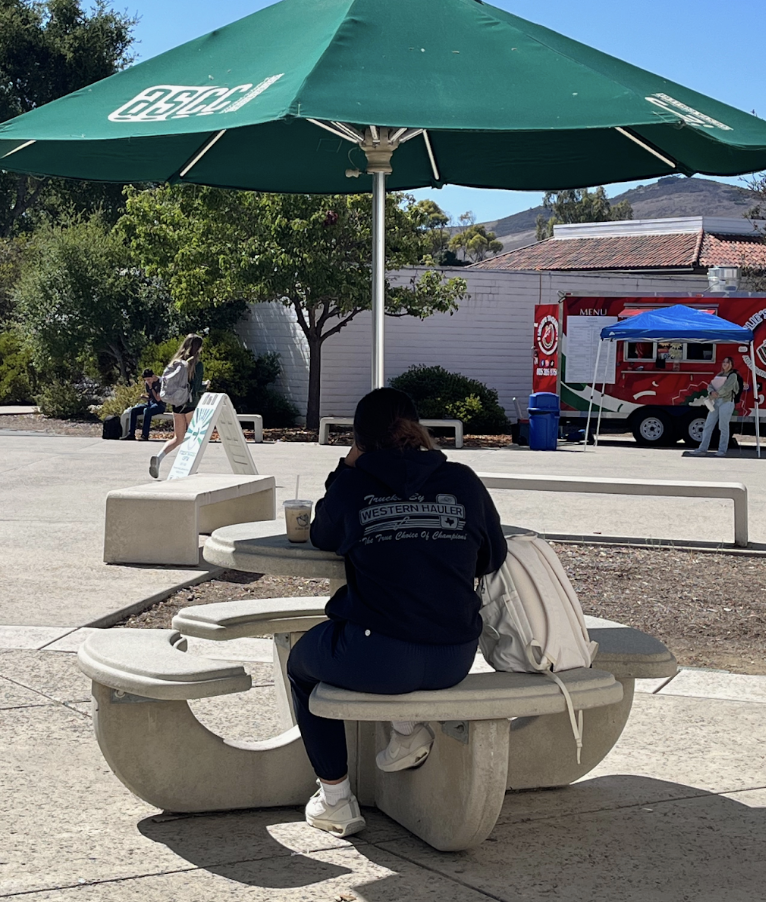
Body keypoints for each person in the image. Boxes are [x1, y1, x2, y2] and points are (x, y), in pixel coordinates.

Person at [287, 388, 508, 838]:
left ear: (359, 439)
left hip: (378, 656)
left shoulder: (352, 484)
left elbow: (321, 536)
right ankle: (406, 731)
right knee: (398, 628)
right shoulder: (463, 480)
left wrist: (345, 469)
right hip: (455, 655)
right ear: (418, 429)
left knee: (301, 666)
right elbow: (492, 557)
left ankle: (336, 801)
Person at [149, 334, 204, 479]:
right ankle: (188, 467)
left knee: (178, 438)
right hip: (190, 403)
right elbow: (196, 387)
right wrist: (206, 385)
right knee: (193, 437)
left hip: (176, 403)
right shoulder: (197, 364)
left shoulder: (175, 362)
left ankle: (159, 458)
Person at [690, 356, 739, 457]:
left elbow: (727, 388)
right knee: (708, 425)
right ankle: (702, 448)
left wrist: (717, 393)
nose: (725, 364)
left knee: (723, 426)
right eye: (724, 362)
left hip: (726, 402)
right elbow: (710, 385)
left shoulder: (733, 375)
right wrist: (711, 392)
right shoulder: (719, 374)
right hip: (716, 402)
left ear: (731, 365)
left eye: (727, 363)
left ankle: (722, 450)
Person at [121, 369, 165, 441]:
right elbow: (150, 397)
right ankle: (131, 434)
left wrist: (151, 387)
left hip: (160, 405)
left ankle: (145, 435)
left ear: (153, 376)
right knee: (134, 410)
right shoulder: (147, 383)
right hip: (151, 403)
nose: (148, 381)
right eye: (146, 380)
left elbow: (158, 399)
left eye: (149, 379)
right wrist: (144, 397)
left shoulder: (160, 382)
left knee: (147, 411)